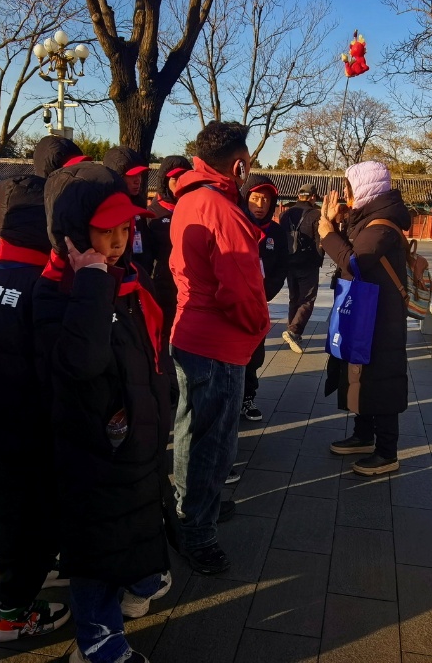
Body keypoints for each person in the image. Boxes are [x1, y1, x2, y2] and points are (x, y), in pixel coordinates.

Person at [35, 163, 173, 663]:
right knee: (96, 549)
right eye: (104, 230)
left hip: (133, 439)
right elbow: (82, 361)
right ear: (71, 234)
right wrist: (91, 281)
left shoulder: (127, 281)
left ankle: (138, 583)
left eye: (124, 228)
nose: (117, 242)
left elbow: (151, 356)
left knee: (128, 529)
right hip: (92, 451)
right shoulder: (59, 290)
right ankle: (98, 641)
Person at [0, 173, 72, 641]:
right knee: (30, 518)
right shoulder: (46, 285)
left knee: (1, 511)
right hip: (33, 427)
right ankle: (15, 613)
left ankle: (4, 595)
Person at [168, 121, 268, 574]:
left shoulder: (190, 198)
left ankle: (191, 509)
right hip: (218, 343)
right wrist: (258, 326)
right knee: (214, 444)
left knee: (192, 430)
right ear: (239, 164)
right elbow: (241, 291)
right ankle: (197, 531)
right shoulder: (222, 210)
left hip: (191, 332)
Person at [321, 162, 413, 476]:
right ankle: (363, 435)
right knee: (359, 373)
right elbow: (353, 250)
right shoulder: (369, 220)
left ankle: (387, 452)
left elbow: (356, 262)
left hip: (382, 318)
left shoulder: (382, 227)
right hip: (365, 311)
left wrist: (327, 235)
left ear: (364, 189)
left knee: (382, 380)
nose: (346, 195)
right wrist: (337, 225)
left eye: (348, 188)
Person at [239, 173, 289, 423]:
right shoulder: (235, 224)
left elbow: (281, 267)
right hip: (231, 301)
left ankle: (248, 398)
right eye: (255, 198)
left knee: (255, 354)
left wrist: (266, 292)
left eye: (266, 200)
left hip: (258, 304)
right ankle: (228, 397)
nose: (260, 205)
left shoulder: (276, 233)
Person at [145, 155, 191, 328]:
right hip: (162, 288)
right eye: (174, 179)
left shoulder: (195, 208)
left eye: (183, 177)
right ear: (164, 181)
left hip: (189, 288)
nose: (179, 183)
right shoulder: (152, 214)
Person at [279, 182, 325, 354]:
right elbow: (320, 241)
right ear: (313, 197)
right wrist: (319, 259)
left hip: (289, 262)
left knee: (294, 298)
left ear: (298, 196)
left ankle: (292, 331)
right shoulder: (316, 214)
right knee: (307, 299)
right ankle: (294, 331)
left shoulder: (285, 215)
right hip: (308, 263)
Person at [103, 146, 153, 272]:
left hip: (140, 270)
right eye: (132, 175)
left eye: (140, 174)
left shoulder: (139, 202)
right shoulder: (105, 207)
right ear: (117, 176)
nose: (138, 180)